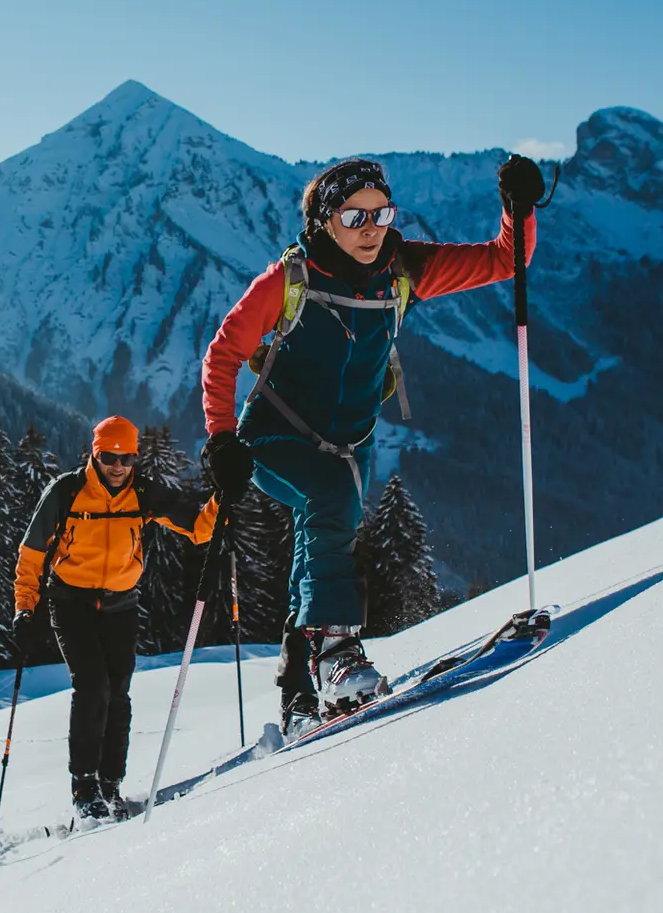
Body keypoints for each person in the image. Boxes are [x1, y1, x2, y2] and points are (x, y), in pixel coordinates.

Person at [199, 155, 548, 728]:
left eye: (381, 214)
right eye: (354, 216)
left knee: (323, 540)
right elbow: (223, 354)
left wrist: (519, 209)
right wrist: (221, 440)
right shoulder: (290, 279)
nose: (371, 229)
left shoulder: (404, 270)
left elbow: (503, 260)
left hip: (351, 443)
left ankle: (298, 694)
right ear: (324, 221)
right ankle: (337, 655)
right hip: (274, 437)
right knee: (331, 501)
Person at [13, 415, 218, 821]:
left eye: (127, 458)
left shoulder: (142, 492)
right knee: (92, 687)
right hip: (71, 602)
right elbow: (32, 552)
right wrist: (24, 606)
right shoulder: (67, 491)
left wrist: (223, 496)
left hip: (121, 604)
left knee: (119, 692)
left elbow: (198, 528)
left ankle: (111, 784)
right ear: (95, 454)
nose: (118, 466)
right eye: (110, 457)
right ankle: (84, 787)